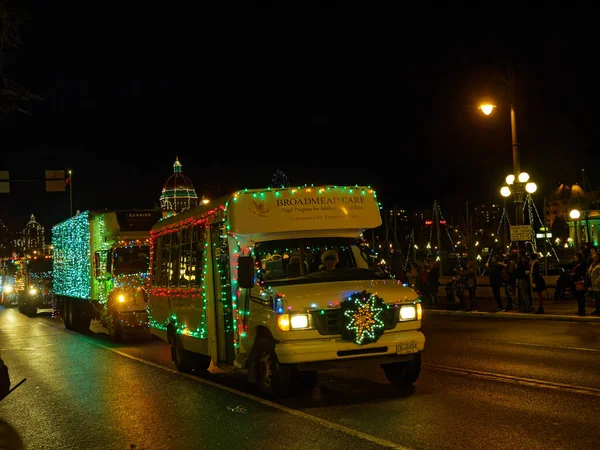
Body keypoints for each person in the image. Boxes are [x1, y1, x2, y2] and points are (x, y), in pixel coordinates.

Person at [570, 251, 587, 316]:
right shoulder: (576, 264)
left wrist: (574, 274)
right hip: (576, 281)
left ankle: (582, 310)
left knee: (581, 297)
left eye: (575, 257)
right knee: (579, 297)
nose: (574, 259)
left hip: (580, 281)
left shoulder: (581, 264)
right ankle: (580, 310)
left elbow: (581, 273)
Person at [587, 251, 600, 316]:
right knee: (596, 298)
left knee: (598, 297)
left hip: (598, 284)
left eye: (596, 257)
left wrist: (597, 282)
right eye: (593, 257)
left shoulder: (598, 265)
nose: (594, 258)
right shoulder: (592, 264)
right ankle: (597, 309)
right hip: (593, 285)